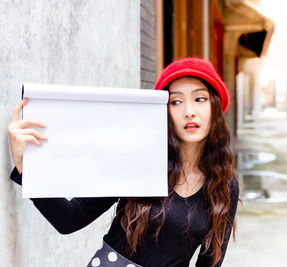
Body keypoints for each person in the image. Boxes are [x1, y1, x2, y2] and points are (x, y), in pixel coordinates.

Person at [8, 57, 239, 267]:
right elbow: (70, 218)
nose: (189, 111)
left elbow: (210, 263)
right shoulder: (136, 159)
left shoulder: (224, 185)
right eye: (176, 102)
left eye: (200, 99)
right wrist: (25, 163)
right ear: (162, 111)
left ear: (215, 108)